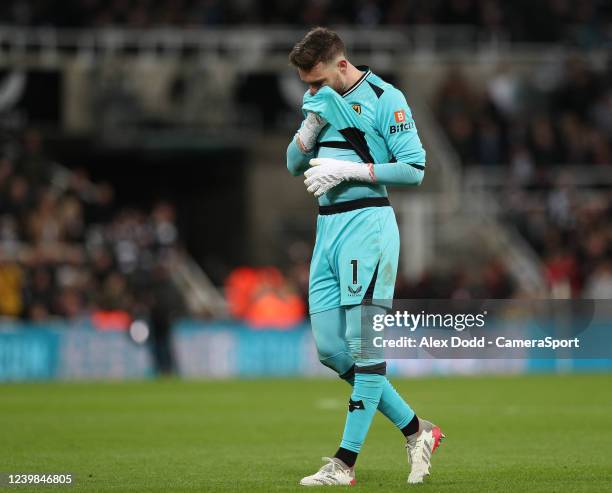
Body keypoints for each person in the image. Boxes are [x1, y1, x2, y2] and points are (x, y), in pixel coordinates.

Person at [286, 27, 444, 486]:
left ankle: (344, 463)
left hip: (367, 227)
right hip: (327, 230)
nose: (311, 91)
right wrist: (308, 130)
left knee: (364, 346)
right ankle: (418, 430)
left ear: (340, 64)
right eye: (305, 85)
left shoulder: (385, 97)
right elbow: (293, 166)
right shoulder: (317, 101)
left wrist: (352, 169)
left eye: (316, 82)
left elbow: (414, 169)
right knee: (332, 351)